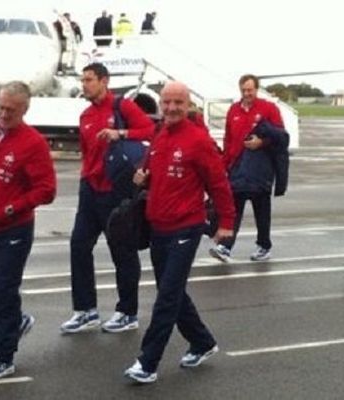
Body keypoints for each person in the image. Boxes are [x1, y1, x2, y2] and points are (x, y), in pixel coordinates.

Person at [124, 81, 236, 384]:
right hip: (158, 227)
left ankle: (147, 363)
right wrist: (142, 178)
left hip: (186, 228)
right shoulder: (160, 136)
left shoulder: (198, 141)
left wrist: (226, 223)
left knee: (167, 298)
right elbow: (151, 175)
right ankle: (202, 341)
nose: (171, 108)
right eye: (167, 102)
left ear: (188, 106)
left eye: (178, 103)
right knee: (170, 293)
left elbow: (219, 184)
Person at [0, 81, 57, 379]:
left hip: (13, 230)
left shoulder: (33, 143)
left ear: (24, 110)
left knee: (4, 290)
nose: (3, 114)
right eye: (1, 107)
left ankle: (2, 356)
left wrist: (13, 207)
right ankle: (14, 324)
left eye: (10, 110)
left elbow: (47, 190)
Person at [60, 63, 155, 334]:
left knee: (121, 251)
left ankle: (128, 311)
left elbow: (149, 131)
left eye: (89, 79)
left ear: (104, 81)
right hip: (89, 188)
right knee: (79, 245)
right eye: (83, 79)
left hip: (115, 189)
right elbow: (86, 151)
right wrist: (85, 178)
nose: (84, 84)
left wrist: (121, 133)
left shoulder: (122, 106)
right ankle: (85, 310)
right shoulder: (85, 115)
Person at [209, 74, 284, 263]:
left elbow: (282, 136)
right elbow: (228, 139)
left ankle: (264, 246)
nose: (246, 93)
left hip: (260, 168)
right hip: (237, 168)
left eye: (250, 90)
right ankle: (226, 246)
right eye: (243, 90)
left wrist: (263, 142)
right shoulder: (233, 110)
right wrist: (225, 165)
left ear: (256, 89)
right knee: (234, 208)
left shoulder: (268, 109)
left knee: (262, 210)